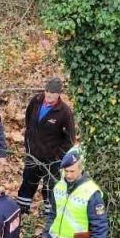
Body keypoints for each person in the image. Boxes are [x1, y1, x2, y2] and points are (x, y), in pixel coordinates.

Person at [44, 149, 107, 238]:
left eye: (72, 171)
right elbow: (53, 213)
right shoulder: (59, 187)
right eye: (66, 171)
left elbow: (100, 224)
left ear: (80, 169)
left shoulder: (91, 192)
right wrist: (46, 234)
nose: (68, 175)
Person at [19, 77, 77, 215]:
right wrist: (29, 146)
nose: (49, 95)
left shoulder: (64, 112)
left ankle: (50, 214)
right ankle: (22, 209)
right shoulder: (36, 101)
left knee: (50, 186)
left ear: (59, 94)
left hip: (52, 159)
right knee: (28, 181)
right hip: (33, 154)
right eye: (47, 91)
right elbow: (28, 122)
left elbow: (69, 139)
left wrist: (58, 156)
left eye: (53, 92)